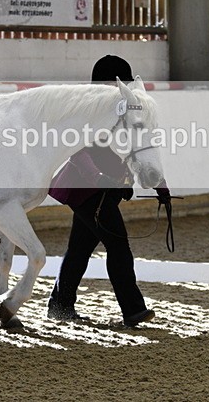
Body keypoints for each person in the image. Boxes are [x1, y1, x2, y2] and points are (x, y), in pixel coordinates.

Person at [47, 55, 172, 328]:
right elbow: (76, 151)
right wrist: (98, 177)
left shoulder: (123, 112)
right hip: (89, 190)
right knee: (119, 246)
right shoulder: (86, 111)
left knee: (79, 249)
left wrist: (160, 184)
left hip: (104, 191)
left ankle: (60, 304)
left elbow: (139, 148)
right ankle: (133, 309)